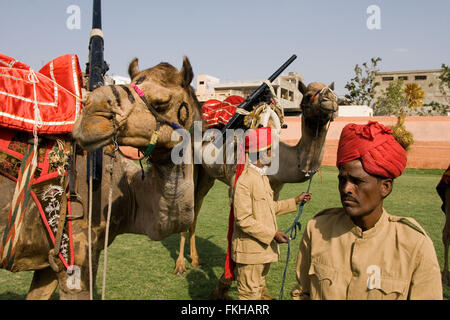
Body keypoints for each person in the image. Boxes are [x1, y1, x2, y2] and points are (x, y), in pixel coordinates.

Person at [291, 121, 442, 300]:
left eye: (357, 181)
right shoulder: (318, 229)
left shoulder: (414, 245)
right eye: (342, 180)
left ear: (385, 187)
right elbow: (302, 294)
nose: (346, 188)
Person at [226, 127, 311, 300]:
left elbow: (267, 207)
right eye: (271, 150)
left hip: (262, 252)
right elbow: (244, 220)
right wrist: (272, 234)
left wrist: (295, 201)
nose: (274, 154)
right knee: (250, 296)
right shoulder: (244, 182)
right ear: (260, 152)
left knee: (257, 294)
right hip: (250, 254)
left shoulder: (262, 178)